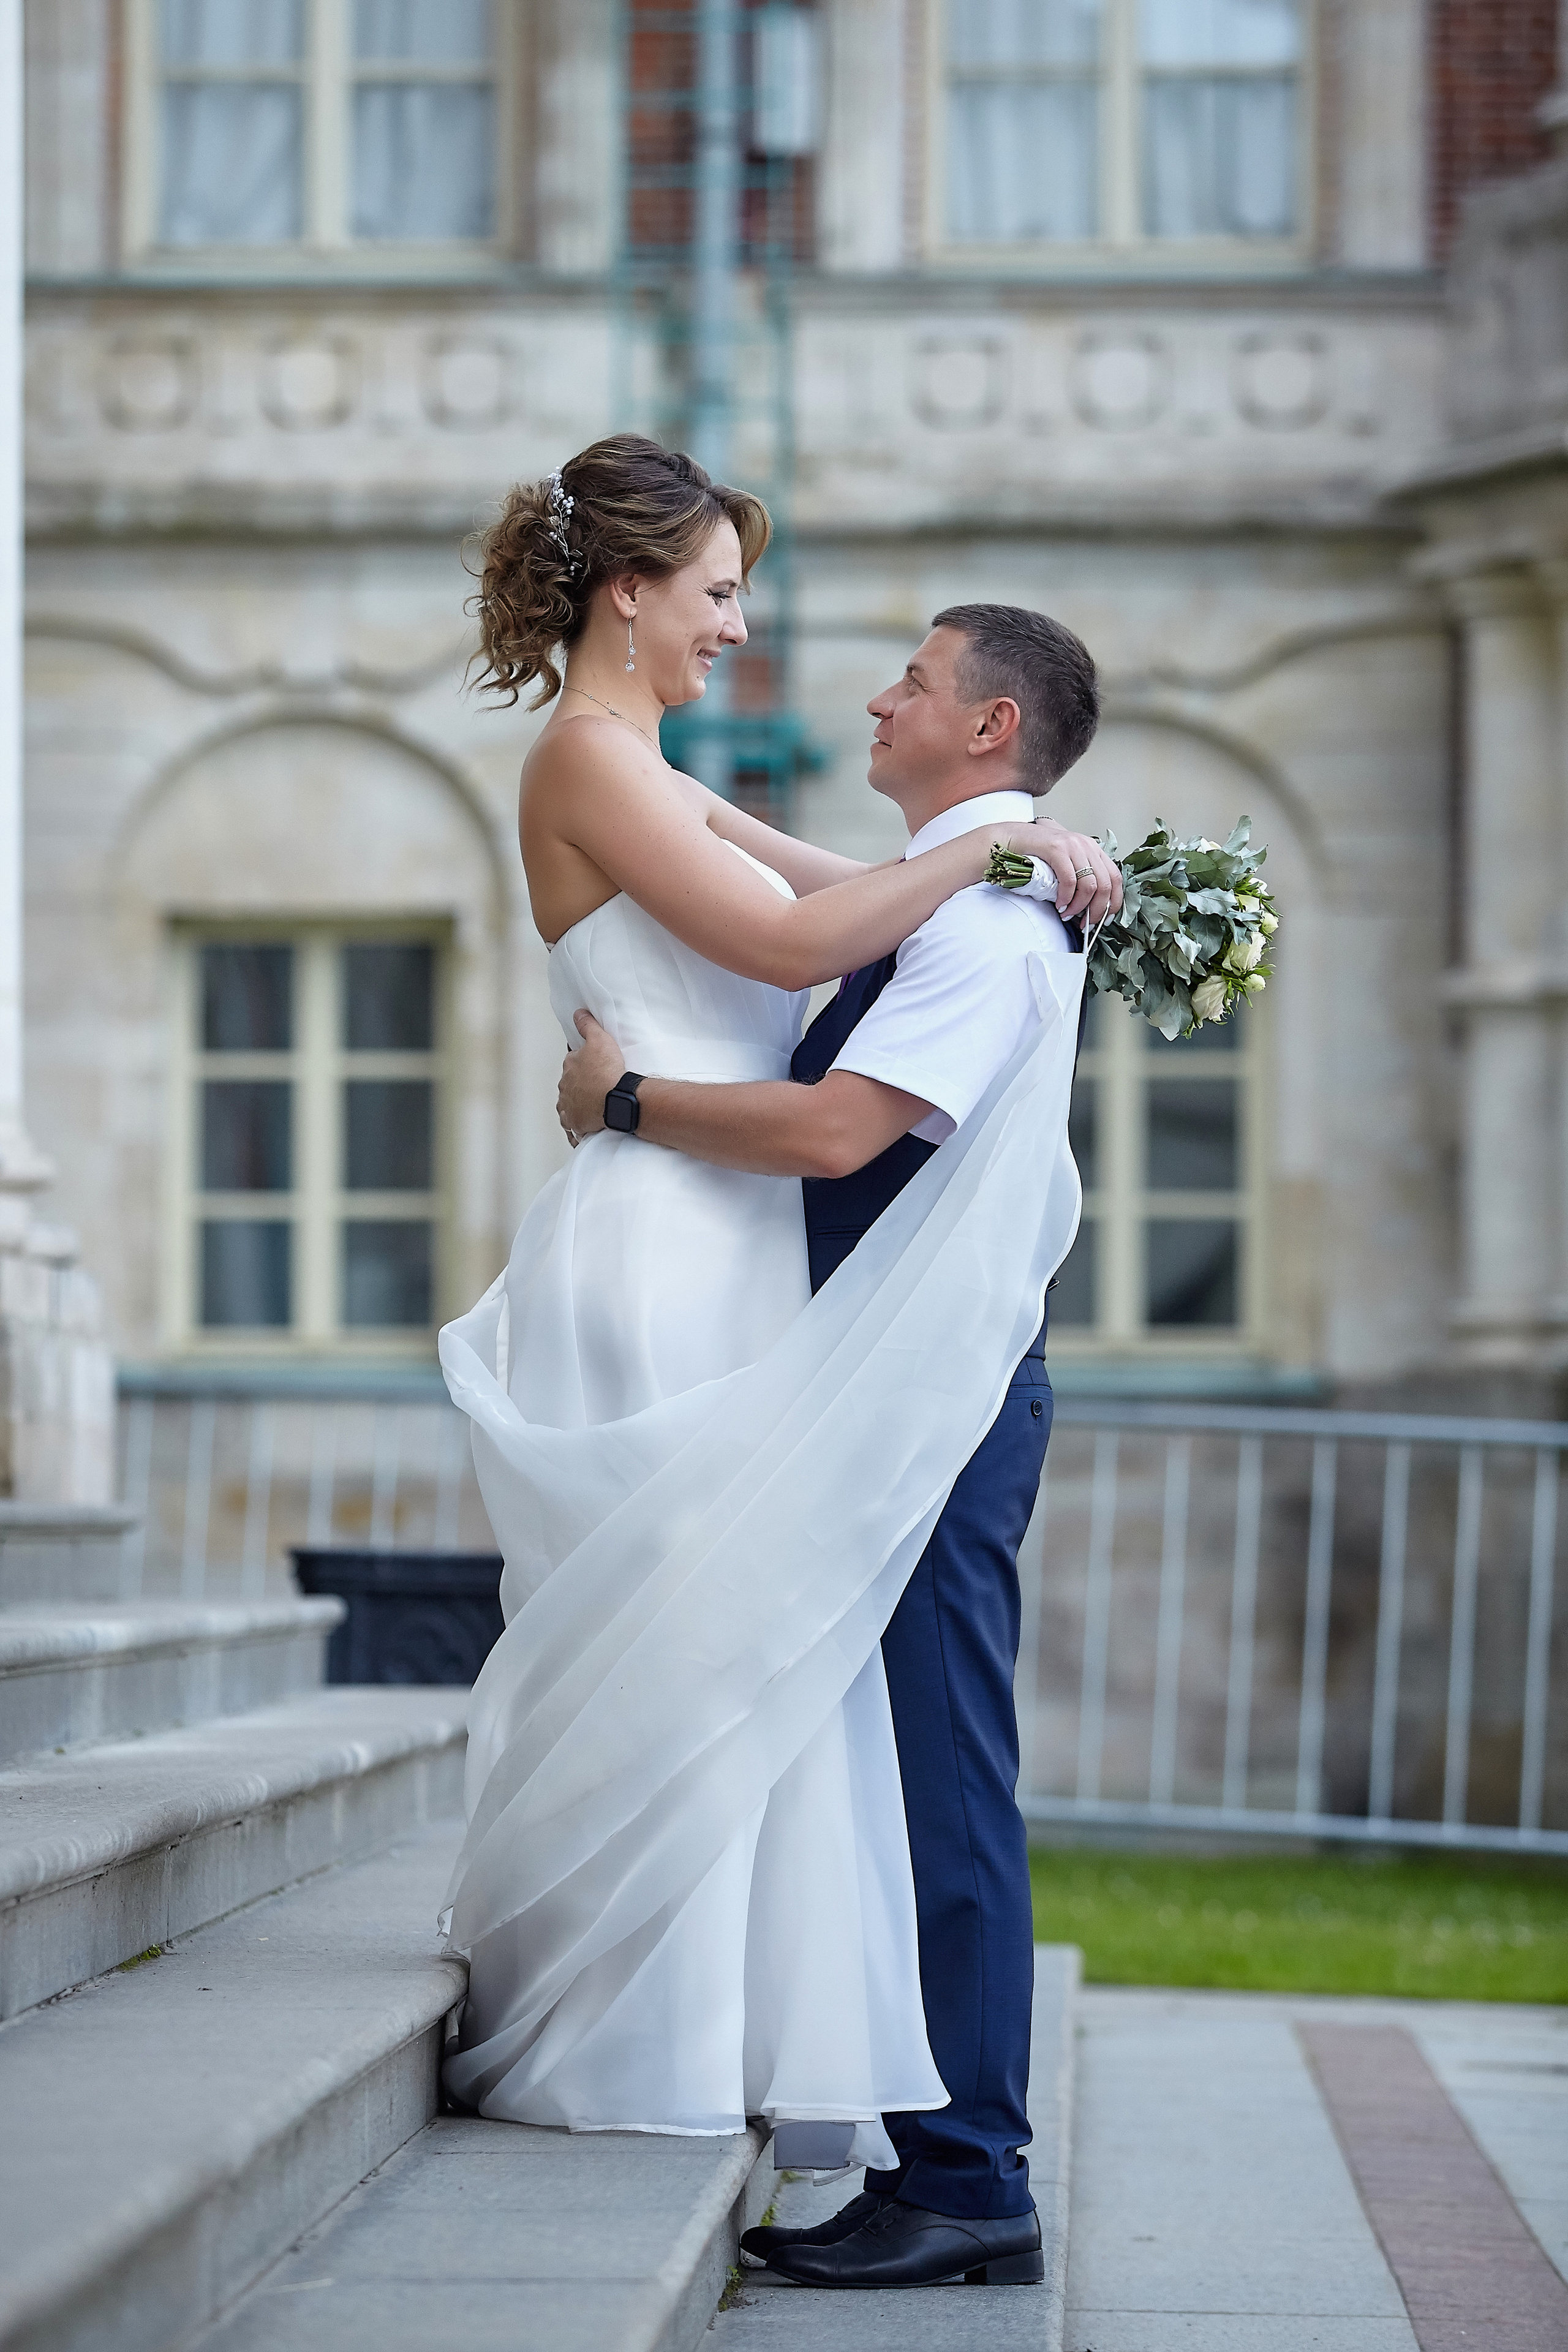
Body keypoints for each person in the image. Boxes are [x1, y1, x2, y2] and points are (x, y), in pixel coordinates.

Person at [436, 434, 1111, 2240]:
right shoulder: (589, 760)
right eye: (722, 592)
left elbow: (818, 885)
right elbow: (809, 939)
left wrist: (1014, 847)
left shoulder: (648, 764)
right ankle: (637, 2028)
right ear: (629, 592)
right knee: (692, 1644)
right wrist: (1004, 850)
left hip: (742, 1248)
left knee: (754, 1660)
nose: (745, 627)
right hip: (668, 1247)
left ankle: (733, 2033)